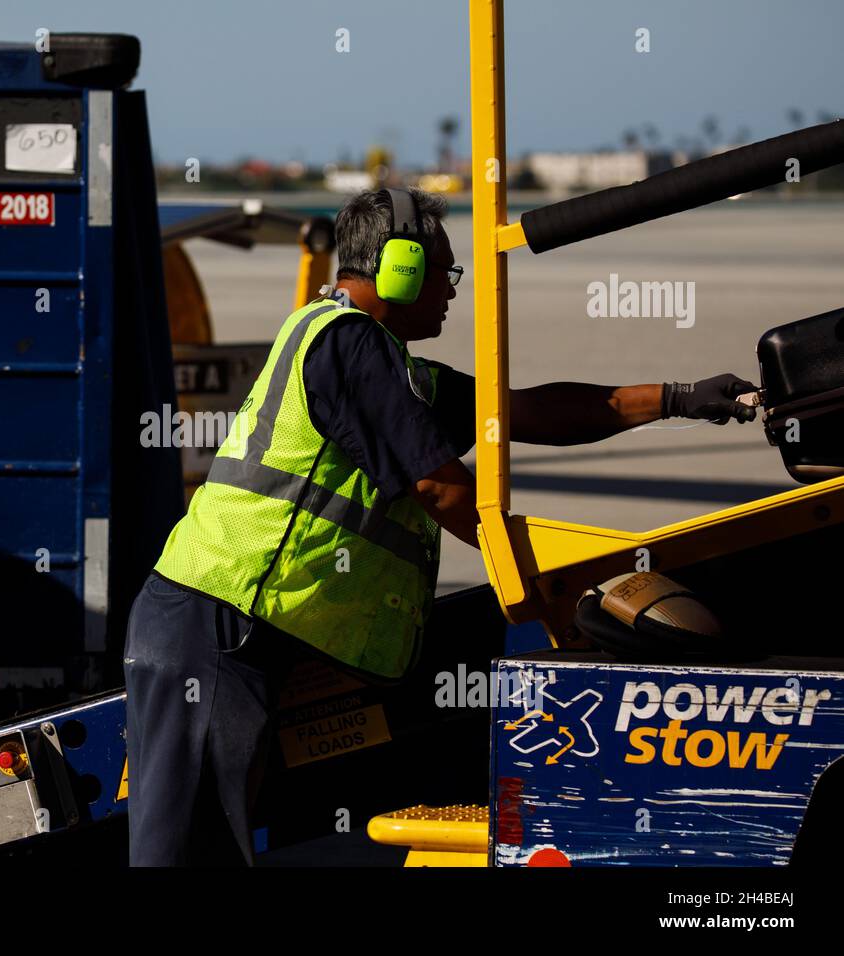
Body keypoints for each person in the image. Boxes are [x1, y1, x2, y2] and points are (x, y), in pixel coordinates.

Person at [124, 187, 758, 866]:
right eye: (444, 272)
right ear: (400, 267)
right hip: (219, 623)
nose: (452, 291)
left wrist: (678, 399)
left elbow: (525, 412)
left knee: (216, 842)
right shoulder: (347, 345)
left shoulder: (394, 370)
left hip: (244, 628)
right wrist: (537, 578)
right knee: (188, 852)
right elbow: (440, 489)